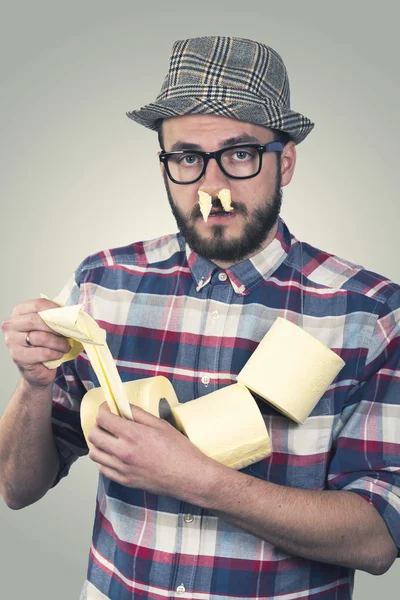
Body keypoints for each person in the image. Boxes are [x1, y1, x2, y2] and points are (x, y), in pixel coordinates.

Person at [1, 36, 399, 600]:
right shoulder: (101, 284)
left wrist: (196, 479)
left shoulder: (370, 312)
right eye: (188, 157)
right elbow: (16, 489)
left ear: (284, 162)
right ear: (164, 165)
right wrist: (34, 386)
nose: (213, 188)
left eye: (239, 154)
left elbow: (379, 538)